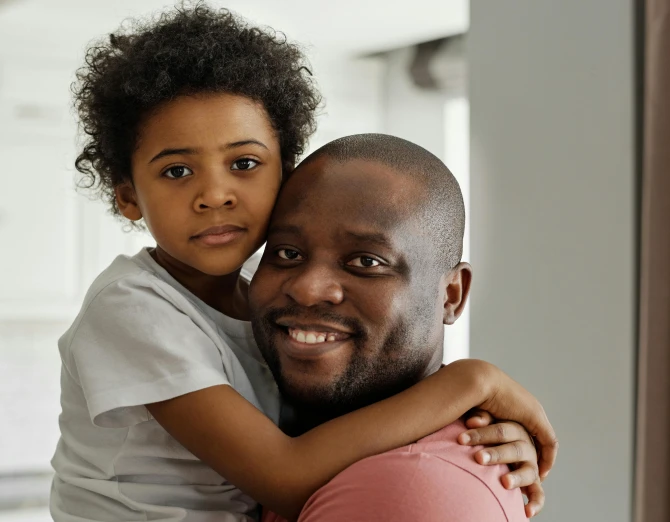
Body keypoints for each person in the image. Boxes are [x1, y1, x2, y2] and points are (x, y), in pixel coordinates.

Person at [50, 5, 557, 522]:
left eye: (244, 164)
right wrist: (471, 384)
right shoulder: (133, 310)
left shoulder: (261, 288)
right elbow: (284, 477)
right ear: (129, 198)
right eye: (177, 170)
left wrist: (476, 429)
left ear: (285, 177)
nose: (214, 194)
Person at [252, 134, 546, 521]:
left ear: (451, 294)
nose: (307, 289)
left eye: (367, 261)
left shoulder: (403, 490)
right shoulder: (237, 382)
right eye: (287, 253)